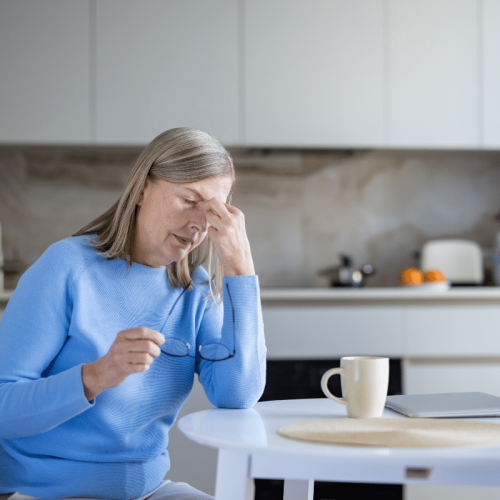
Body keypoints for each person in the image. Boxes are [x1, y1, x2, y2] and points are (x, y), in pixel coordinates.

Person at [0, 128, 267, 500]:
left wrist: (241, 267)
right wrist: (94, 376)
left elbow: (237, 395)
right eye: (189, 200)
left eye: (212, 213)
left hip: (149, 491)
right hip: (46, 493)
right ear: (142, 188)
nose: (198, 225)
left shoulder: (196, 290)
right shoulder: (67, 268)